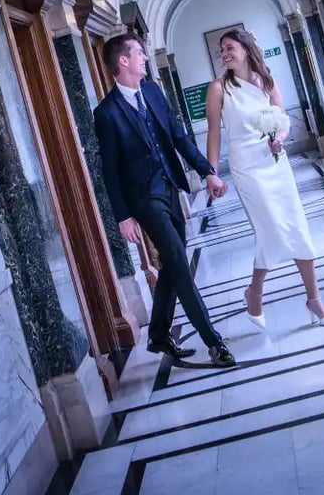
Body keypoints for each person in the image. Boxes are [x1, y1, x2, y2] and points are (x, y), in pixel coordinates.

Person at [93, 34, 235, 368]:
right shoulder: (107, 113)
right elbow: (109, 170)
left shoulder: (154, 92)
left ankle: (158, 334)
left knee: (173, 262)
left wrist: (207, 172)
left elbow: (179, 137)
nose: (144, 57)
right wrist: (123, 216)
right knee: (179, 263)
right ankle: (213, 341)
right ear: (123, 62)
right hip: (143, 199)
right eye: (139, 53)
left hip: (170, 187)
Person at [205, 28, 324, 330]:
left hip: (275, 163)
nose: (224, 54)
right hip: (247, 170)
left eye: (229, 47)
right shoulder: (218, 89)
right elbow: (214, 132)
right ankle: (254, 293)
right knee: (270, 231)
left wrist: (280, 137)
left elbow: (283, 120)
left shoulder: (267, 81)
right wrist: (211, 173)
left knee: (295, 225)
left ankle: (314, 298)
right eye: (221, 50)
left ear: (246, 47)